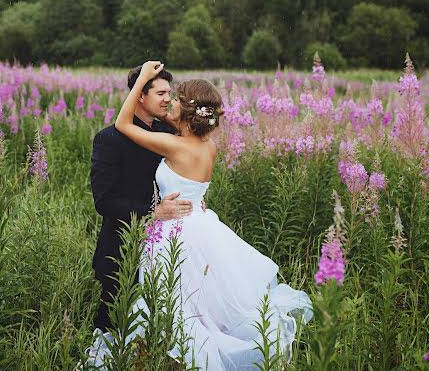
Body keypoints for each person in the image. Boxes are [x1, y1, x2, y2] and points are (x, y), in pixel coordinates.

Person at [110, 61, 313, 370]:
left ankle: (185, 359)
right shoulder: (209, 146)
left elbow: (123, 124)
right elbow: (195, 188)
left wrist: (140, 82)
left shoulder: (174, 146)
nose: (170, 102)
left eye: (176, 98)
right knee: (201, 303)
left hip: (175, 234)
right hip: (203, 226)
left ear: (188, 111)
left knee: (176, 303)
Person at [88, 64, 196, 360]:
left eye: (169, 93)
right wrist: (153, 212)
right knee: (116, 322)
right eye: (160, 93)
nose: (167, 99)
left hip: (168, 244)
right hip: (123, 245)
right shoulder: (108, 139)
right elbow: (105, 201)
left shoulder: (168, 131)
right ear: (139, 96)